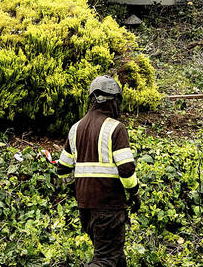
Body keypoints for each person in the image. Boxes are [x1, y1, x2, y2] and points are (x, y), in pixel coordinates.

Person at [56, 76, 140, 267]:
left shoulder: (75, 128)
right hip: (108, 207)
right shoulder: (116, 128)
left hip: (85, 208)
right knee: (106, 259)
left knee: (116, 258)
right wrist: (134, 193)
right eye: (118, 102)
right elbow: (126, 169)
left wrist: (74, 188)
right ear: (112, 101)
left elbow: (62, 168)